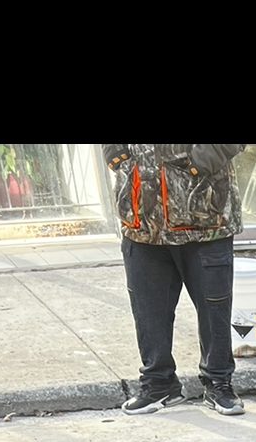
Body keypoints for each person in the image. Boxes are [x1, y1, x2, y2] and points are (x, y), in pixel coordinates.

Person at [102, 144, 246, 415]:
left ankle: (218, 382)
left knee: (213, 307)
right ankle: (158, 383)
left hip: (204, 215)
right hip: (142, 218)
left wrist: (201, 161)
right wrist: (113, 151)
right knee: (147, 309)